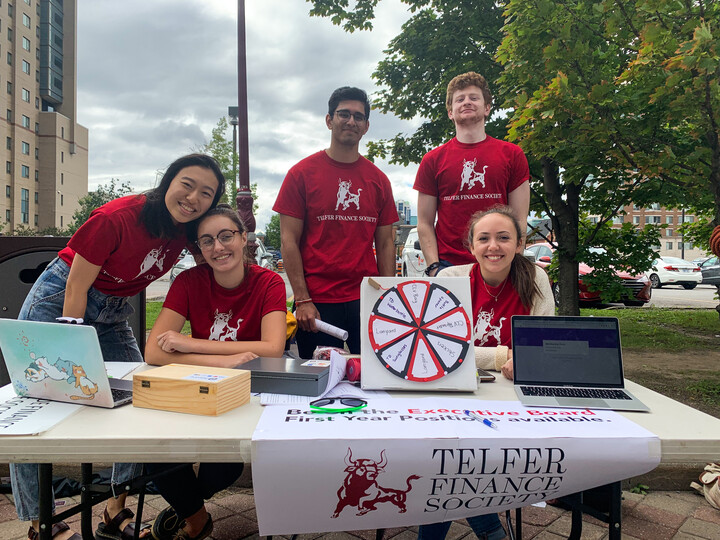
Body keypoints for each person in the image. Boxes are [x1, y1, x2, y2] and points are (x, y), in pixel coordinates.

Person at [10, 153, 226, 540]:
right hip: (61, 301)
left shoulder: (186, 230)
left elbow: (214, 262)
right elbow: (75, 288)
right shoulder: (117, 218)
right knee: (34, 407)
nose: (193, 198)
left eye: (206, 193)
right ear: (168, 182)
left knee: (140, 394)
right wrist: (75, 351)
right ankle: (39, 521)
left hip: (111, 310)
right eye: (187, 184)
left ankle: (114, 509)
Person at [144, 204, 287, 540]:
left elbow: (271, 349)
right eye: (207, 241)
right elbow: (154, 351)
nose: (218, 247)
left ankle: (187, 509)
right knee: (154, 452)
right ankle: (195, 519)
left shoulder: (269, 282)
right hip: (198, 386)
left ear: (243, 238)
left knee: (225, 467)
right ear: (199, 249)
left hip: (247, 391)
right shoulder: (188, 281)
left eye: (226, 236)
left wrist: (190, 343)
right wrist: (222, 361)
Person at [418, 206, 553, 540]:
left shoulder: (535, 278)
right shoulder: (451, 279)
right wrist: (505, 355)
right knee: (452, 453)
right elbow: (439, 349)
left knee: (454, 462)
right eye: (485, 238)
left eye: (504, 238)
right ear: (471, 246)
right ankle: (491, 529)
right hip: (456, 393)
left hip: (511, 400)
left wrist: (523, 357)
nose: (494, 246)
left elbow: (542, 347)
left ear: (520, 244)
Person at [273, 86, 398, 359]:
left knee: (377, 376)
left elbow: (386, 242)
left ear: (366, 126)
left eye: (358, 116)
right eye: (344, 114)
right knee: (319, 382)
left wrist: (388, 297)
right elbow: (288, 242)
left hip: (365, 299)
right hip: (317, 303)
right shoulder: (301, 175)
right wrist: (302, 299)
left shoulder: (378, 179)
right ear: (329, 120)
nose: (351, 121)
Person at [414, 72, 531, 276]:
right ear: (450, 112)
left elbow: (520, 218)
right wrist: (434, 268)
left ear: (487, 108)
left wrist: (514, 261)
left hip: (499, 262)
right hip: (450, 266)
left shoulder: (512, 155)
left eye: (474, 97)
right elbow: (424, 222)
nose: (466, 102)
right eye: (460, 99)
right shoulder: (432, 160)